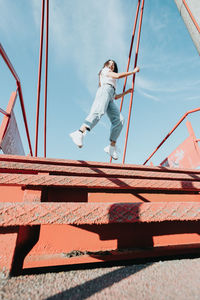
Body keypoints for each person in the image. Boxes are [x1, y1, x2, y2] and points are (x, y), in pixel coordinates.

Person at [70, 59, 140, 160]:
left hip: (110, 96)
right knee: (98, 112)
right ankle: (79, 132)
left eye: (113, 65)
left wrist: (127, 92)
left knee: (119, 120)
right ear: (106, 65)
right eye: (109, 64)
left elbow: (115, 96)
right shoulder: (105, 70)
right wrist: (132, 72)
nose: (111, 65)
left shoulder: (113, 82)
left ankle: (111, 147)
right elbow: (117, 76)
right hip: (104, 91)